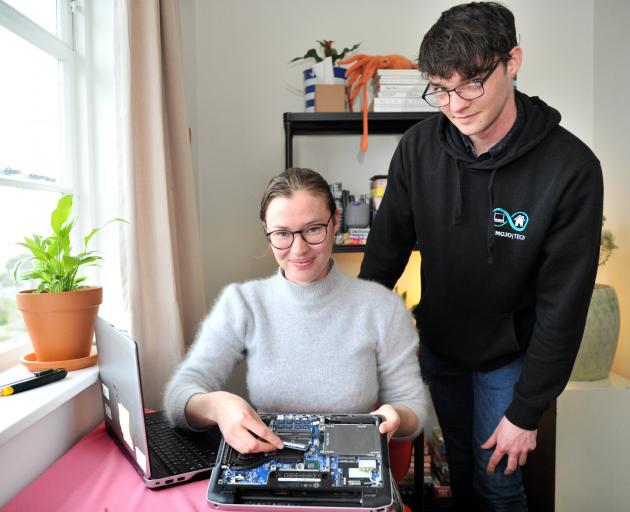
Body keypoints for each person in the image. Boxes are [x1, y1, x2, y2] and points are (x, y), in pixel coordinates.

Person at [358, 3, 603, 511]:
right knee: (461, 470)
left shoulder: (570, 168)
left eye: (471, 84)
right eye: (441, 89)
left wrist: (527, 412)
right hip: (442, 345)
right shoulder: (419, 148)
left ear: (512, 62)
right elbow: (386, 250)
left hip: (511, 356)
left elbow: (564, 304)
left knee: (498, 483)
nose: (456, 104)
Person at [164, 167, 426, 460]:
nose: (299, 249)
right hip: (267, 466)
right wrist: (216, 406)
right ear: (267, 231)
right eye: (282, 234)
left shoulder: (381, 307)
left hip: (351, 470)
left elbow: (412, 404)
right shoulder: (242, 303)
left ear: (335, 221)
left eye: (313, 229)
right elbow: (179, 394)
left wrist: (398, 415)